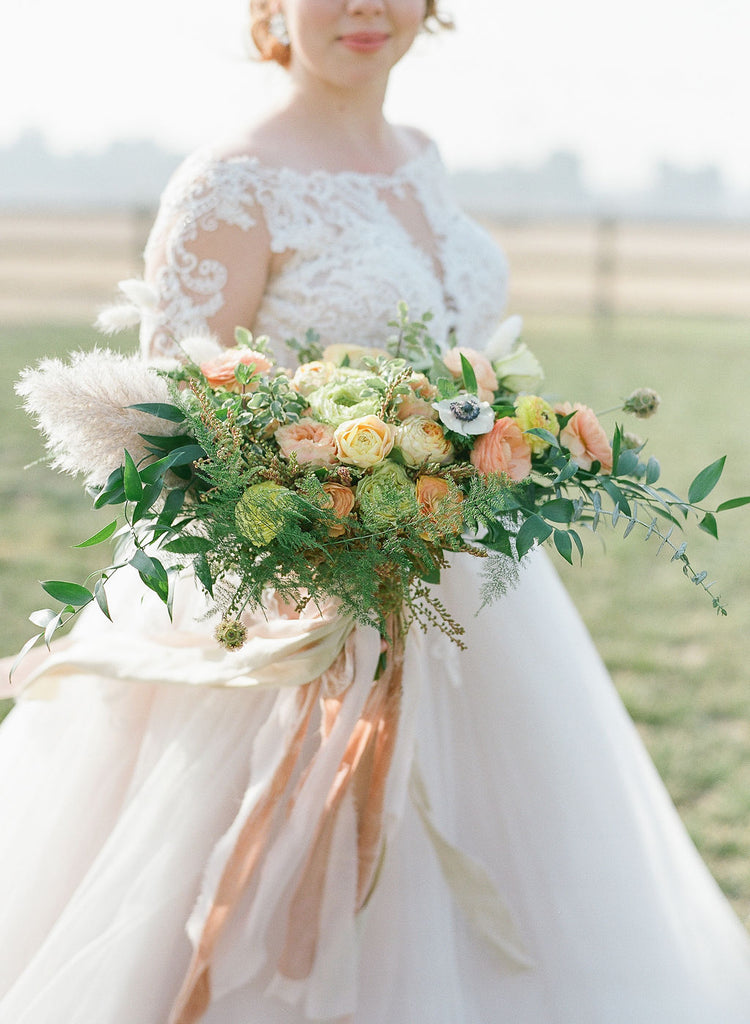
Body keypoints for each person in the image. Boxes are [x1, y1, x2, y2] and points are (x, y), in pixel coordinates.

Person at [1, 2, 750, 1022]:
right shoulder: (230, 182)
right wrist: (322, 520)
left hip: (472, 585)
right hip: (293, 593)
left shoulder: (423, 158)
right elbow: (179, 431)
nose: (365, 5)